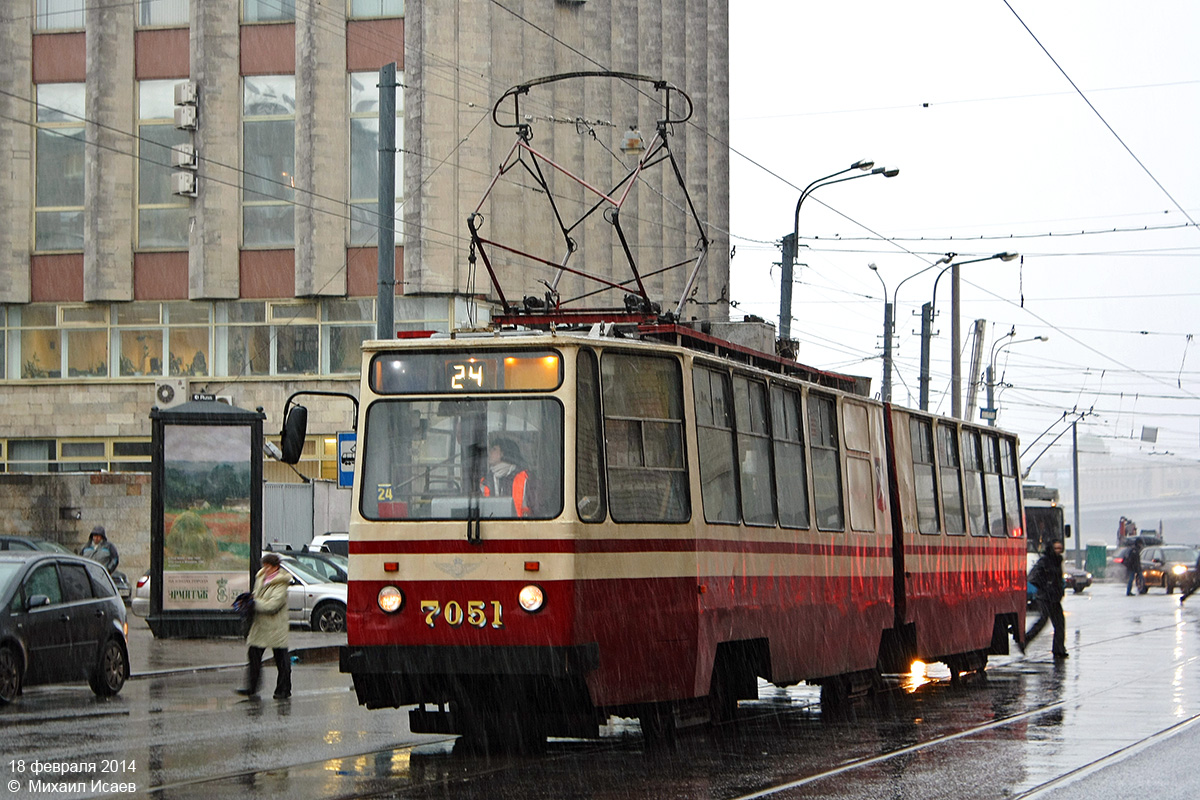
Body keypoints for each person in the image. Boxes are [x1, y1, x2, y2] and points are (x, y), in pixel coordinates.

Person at [236, 552, 291, 700]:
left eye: (268, 567)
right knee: (254, 655)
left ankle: (284, 689)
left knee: (281, 659)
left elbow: (273, 605)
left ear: (276, 567)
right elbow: (257, 595)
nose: (265, 569)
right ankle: (251, 687)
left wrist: (254, 603)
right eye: (264, 566)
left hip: (275, 626)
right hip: (260, 625)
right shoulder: (261, 578)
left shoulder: (281, 583)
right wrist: (249, 599)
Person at [1024, 539, 1068, 659]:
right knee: (1044, 621)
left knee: (1058, 623)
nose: (1058, 551)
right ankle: (1025, 640)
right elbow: (1033, 576)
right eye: (1056, 548)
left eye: (1060, 549)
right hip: (1046, 597)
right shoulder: (1045, 561)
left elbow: (1057, 578)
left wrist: (1059, 588)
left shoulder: (1058, 560)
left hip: (1054, 597)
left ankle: (1058, 649)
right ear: (1051, 548)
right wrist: (1046, 586)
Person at [479, 437, 531, 517]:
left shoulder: (525, 478)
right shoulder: (485, 481)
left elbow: (536, 509)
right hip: (491, 523)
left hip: (519, 524)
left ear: (503, 453)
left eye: (494, 449)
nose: (489, 452)